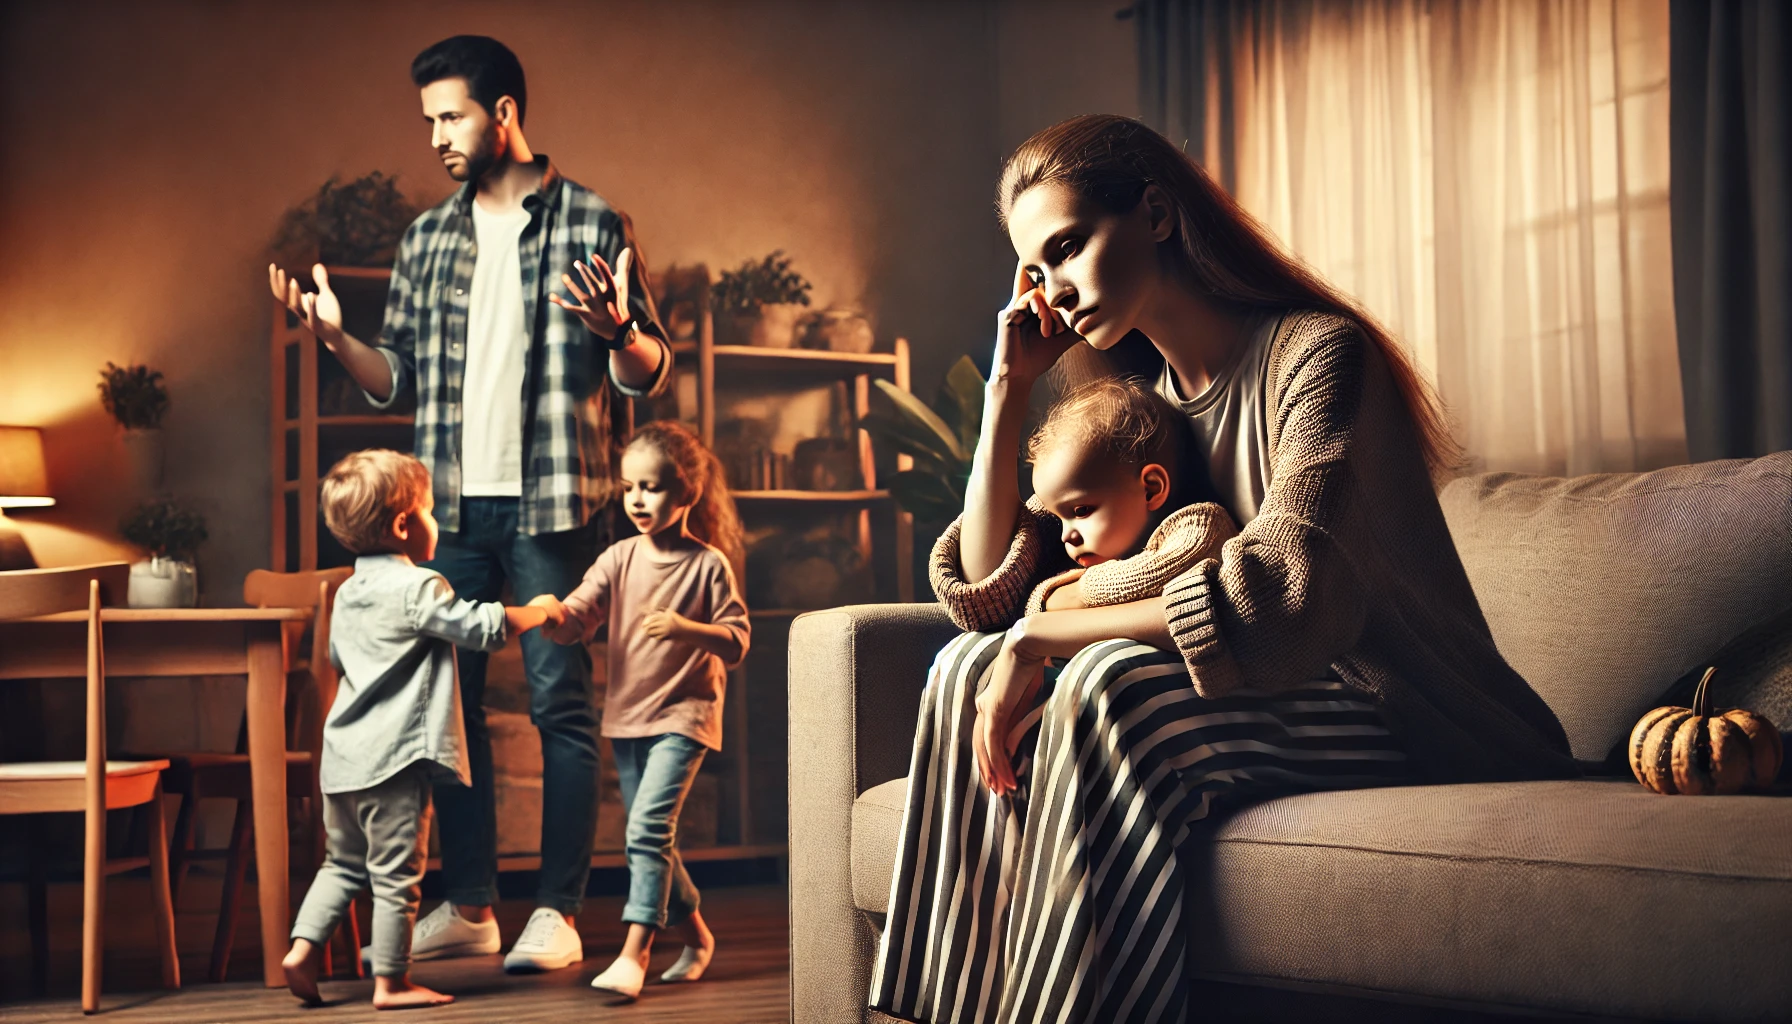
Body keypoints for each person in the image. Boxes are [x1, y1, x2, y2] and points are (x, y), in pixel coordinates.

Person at [872, 115, 1578, 1024]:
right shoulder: (1139, 417)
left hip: (1399, 708)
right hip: (1269, 702)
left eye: (1070, 246)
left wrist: (1049, 632)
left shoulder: (1316, 356)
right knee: (959, 667)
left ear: (1157, 214)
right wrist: (1008, 392)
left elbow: (1281, 597)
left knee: (1112, 687)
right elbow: (987, 598)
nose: (1057, 285)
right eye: (1039, 269)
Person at [268, 35, 671, 972]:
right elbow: (393, 377)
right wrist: (334, 338)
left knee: (557, 706)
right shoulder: (427, 238)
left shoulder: (592, 220)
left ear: (503, 113)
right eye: (429, 122)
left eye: (450, 116)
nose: (438, 137)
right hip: (448, 508)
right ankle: (477, 904)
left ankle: (559, 915)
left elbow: (647, 370)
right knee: (444, 711)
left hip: (554, 501)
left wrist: (620, 333)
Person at [283, 450, 567, 1009]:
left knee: (341, 864)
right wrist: (540, 611)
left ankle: (301, 948)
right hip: (396, 761)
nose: (437, 522)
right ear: (403, 525)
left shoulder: (346, 592)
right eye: (431, 510)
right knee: (396, 878)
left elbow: (339, 656)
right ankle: (392, 983)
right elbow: (482, 627)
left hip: (342, 761)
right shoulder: (421, 588)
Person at [544, 421, 748, 1001]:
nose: (637, 498)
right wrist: (549, 616)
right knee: (652, 839)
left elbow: (737, 641)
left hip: (686, 716)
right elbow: (579, 615)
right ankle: (699, 938)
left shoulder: (708, 566)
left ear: (686, 494)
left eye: (652, 487)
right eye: (629, 486)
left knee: (647, 831)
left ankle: (635, 953)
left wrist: (686, 628)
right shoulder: (617, 559)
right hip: (629, 717)